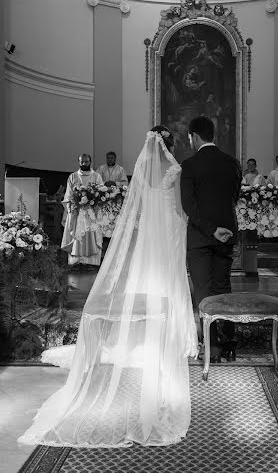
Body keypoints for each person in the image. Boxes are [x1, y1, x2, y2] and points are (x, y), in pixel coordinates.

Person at [19, 127, 198, 447]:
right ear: (169, 145)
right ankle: (173, 336)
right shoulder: (175, 169)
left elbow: (139, 210)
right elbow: (180, 208)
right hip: (170, 230)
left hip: (148, 234)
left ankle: (144, 335)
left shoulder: (141, 170)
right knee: (171, 278)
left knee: (147, 276)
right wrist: (187, 223)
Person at [180, 116, 242, 362]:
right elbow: (233, 198)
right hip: (227, 234)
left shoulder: (190, 165)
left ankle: (212, 349)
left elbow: (189, 207)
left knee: (204, 292)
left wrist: (210, 229)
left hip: (200, 239)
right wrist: (221, 228)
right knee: (223, 288)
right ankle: (229, 345)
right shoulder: (233, 163)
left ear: (194, 136)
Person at [61, 154, 104, 266]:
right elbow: (68, 195)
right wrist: (74, 204)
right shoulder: (73, 177)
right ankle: (76, 262)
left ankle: (91, 263)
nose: (84, 164)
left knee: (92, 236)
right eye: (82, 162)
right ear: (78, 162)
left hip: (91, 212)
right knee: (76, 238)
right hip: (77, 212)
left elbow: (101, 193)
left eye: (86, 162)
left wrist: (92, 202)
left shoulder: (96, 176)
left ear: (90, 162)